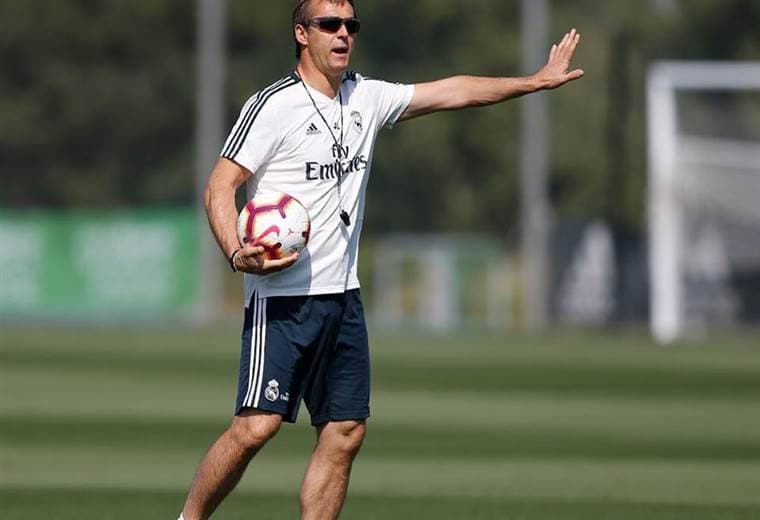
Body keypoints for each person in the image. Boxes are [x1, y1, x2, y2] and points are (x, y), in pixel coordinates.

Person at [179, 1, 582, 518]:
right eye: (330, 24)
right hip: (282, 301)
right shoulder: (272, 106)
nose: (343, 33)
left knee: (345, 432)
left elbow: (450, 91)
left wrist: (531, 82)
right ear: (302, 34)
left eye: (351, 25)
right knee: (256, 427)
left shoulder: (366, 97)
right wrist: (236, 253)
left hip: (343, 299)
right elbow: (219, 185)